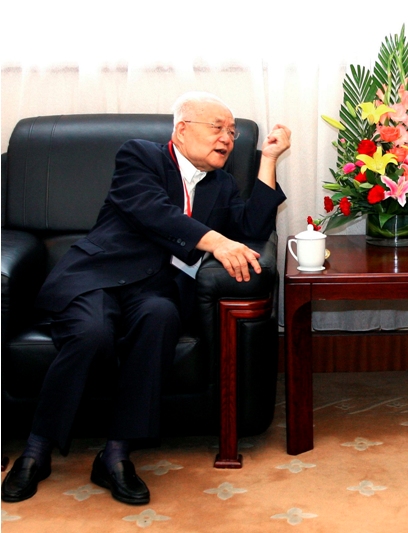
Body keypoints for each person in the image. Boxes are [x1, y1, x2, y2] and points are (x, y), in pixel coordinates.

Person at [1, 92, 290, 505]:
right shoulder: (141, 156)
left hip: (156, 287)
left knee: (161, 317)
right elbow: (151, 210)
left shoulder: (222, 184)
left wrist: (269, 160)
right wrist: (215, 241)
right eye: (218, 128)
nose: (228, 138)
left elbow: (254, 226)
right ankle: (36, 449)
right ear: (182, 130)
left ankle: (116, 454)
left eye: (232, 132)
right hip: (98, 275)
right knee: (91, 334)